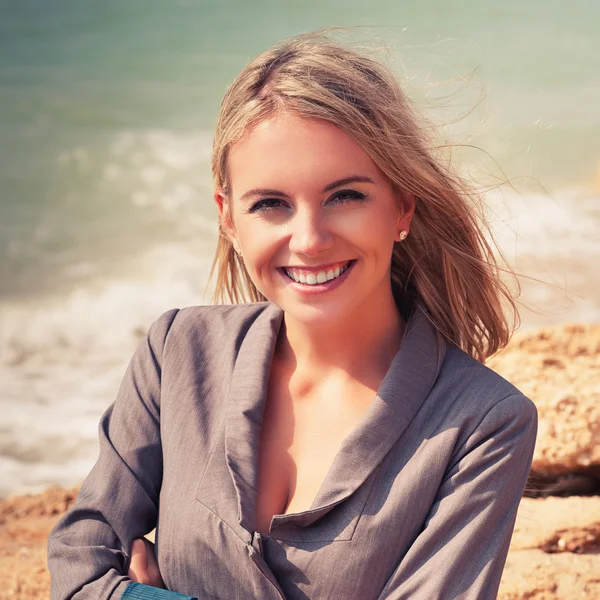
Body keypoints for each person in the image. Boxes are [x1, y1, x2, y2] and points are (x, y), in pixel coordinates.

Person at [47, 32, 537, 600]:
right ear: (229, 219)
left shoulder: (484, 425)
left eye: (345, 196)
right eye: (270, 204)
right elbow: (78, 564)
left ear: (403, 203)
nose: (308, 239)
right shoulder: (176, 352)